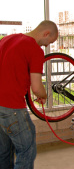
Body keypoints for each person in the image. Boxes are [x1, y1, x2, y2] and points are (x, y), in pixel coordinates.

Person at [0, 20, 58, 169]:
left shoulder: (7, 39)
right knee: (26, 150)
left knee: (4, 152)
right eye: (48, 42)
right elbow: (37, 88)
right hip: (12, 108)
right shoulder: (34, 49)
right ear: (46, 33)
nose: (45, 46)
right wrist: (44, 95)